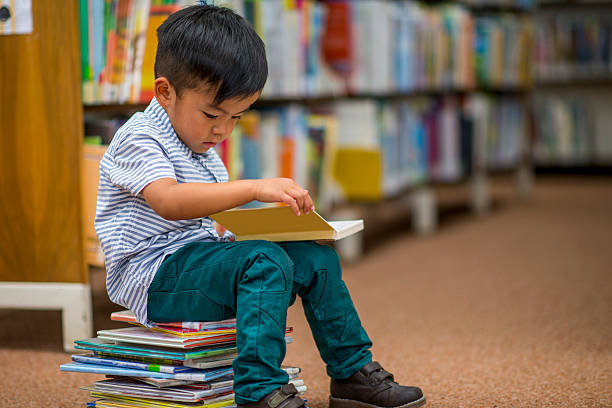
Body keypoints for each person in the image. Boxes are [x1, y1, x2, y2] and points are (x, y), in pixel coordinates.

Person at [95, 4, 425, 408]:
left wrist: (270, 228)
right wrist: (252, 188)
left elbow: (209, 224)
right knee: (263, 261)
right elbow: (168, 201)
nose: (223, 129)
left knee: (314, 259)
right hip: (153, 277)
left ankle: (351, 372)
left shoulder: (200, 142)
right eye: (213, 114)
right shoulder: (139, 137)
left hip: (196, 260)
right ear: (165, 92)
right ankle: (258, 390)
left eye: (237, 117)